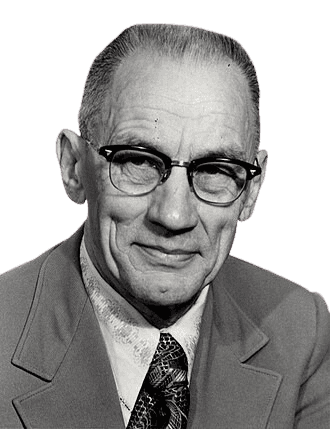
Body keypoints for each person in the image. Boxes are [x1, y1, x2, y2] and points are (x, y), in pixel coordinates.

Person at [0, 23, 329, 429]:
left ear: (252, 189)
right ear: (73, 168)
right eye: (137, 160)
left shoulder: (302, 328)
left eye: (215, 169)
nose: (174, 216)